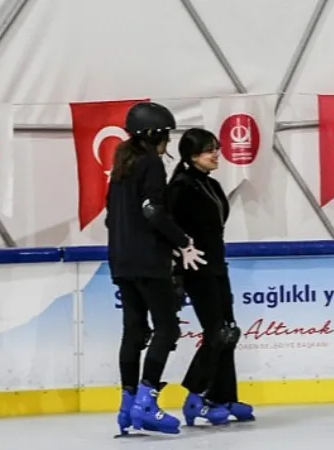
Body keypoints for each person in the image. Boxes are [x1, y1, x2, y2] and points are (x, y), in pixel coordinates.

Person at [107, 102, 207, 436]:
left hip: (121, 259)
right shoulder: (150, 163)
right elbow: (152, 209)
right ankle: (146, 402)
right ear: (153, 135)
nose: (167, 142)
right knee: (167, 328)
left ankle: (127, 404)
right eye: (165, 134)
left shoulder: (121, 165)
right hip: (148, 260)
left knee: (133, 331)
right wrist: (182, 242)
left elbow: (111, 217)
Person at [166, 128, 255, 427]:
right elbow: (169, 230)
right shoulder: (180, 187)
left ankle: (223, 395)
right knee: (216, 331)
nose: (216, 154)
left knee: (229, 329)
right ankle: (194, 396)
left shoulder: (211, 185)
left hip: (217, 265)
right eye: (209, 150)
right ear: (192, 156)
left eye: (216, 148)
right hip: (196, 268)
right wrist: (178, 269)